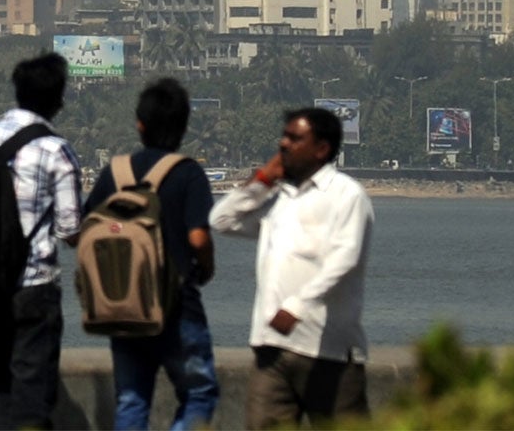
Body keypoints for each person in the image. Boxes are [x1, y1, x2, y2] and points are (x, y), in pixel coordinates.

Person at [209, 105, 373, 428]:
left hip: (330, 352)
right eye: (284, 137)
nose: (283, 144)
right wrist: (261, 181)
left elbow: (345, 258)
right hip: (272, 349)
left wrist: (296, 306)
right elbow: (221, 220)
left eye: (295, 138)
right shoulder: (278, 198)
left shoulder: (347, 195)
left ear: (321, 149)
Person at [80, 78, 219, 431]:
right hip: (178, 308)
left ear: (139, 124)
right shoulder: (188, 173)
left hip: (123, 308)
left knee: (131, 398)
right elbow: (199, 238)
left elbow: (82, 229)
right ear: (185, 126)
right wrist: (205, 269)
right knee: (199, 393)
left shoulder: (115, 172)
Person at [0, 52, 82, 431]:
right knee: (32, 389)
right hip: (34, 284)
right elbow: (70, 229)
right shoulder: (56, 151)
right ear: (58, 99)